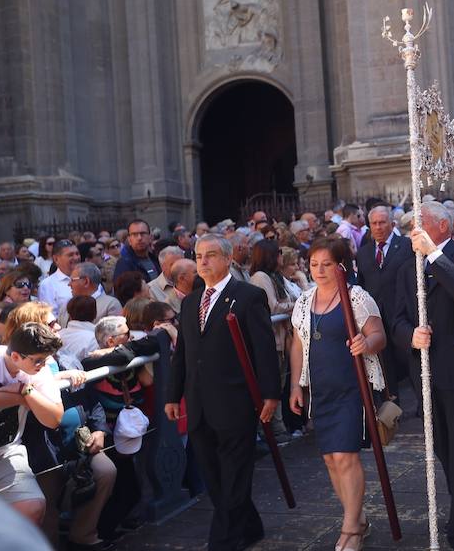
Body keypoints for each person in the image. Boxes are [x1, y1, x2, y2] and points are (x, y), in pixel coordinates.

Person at [165, 234, 280, 551]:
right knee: (214, 476)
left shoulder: (248, 296)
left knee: (234, 474)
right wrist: (173, 396)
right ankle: (250, 525)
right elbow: (184, 355)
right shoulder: (190, 302)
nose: (203, 261)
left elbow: (264, 349)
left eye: (210, 255)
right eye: (199, 255)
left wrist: (270, 395)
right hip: (199, 404)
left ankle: (223, 541)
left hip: (235, 402)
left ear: (228, 259)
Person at [392, 201, 454, 551]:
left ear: (443, 227)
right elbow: (397, 317)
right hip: (426, 372)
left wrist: (432, 254)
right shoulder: (406, 269)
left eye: (421, 225)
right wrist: (409, 336)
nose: (413, 233)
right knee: (444, 449)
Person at [288, 236, 386, 551]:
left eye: (326, 264)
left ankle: (350, 530)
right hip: (320, 390)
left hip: (351, 388)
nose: (319, 270)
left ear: (341, 266)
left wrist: (365, 344)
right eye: (314, 264)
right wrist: (294, 385)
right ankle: (357, 518)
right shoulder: (304, 300)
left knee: (346, 455)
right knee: (331, 459)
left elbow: (378, 336)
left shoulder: (356, 297)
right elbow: (298, 344)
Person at [0, 322, 65, 525]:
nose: (43, 365)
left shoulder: (38, 371)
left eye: (45, 359)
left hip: (5, 452)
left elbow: (54, 418)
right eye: (38, 360)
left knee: (33, 507)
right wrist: (14, 397)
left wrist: (25, 391)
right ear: (15, 357)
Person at [356, 206, 415, 404]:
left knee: (411, 358)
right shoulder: (363, 253)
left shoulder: (407, 246)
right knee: (385, 362)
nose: (379, 227)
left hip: (403, 312)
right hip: (376, 317)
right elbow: (362, 285)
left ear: (392, 224)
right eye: (374, 223)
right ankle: (392, 405)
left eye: (382, 222)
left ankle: (424, 404)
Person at [249, 239, 294, 444]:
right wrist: (298, 303)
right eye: (278, 253)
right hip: (272, 339)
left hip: (281, 338)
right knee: (271, 385)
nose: (281, 258)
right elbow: (273, 306)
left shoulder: (275, 276)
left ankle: (278, 428)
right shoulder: (260, 277)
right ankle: (269, 430)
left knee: (281, 383)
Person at [60, 262, 123, 326]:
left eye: (72, 280)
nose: (69, 284)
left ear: (86, 281)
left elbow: (115, 333)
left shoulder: (110, 305)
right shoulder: (66, 305)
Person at [38, 239, 80, 316]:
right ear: (56, 259)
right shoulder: (48, 285)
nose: (76, 258)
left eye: (77, 254)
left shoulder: (88, 278)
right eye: (70, 255)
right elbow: (49, 316)